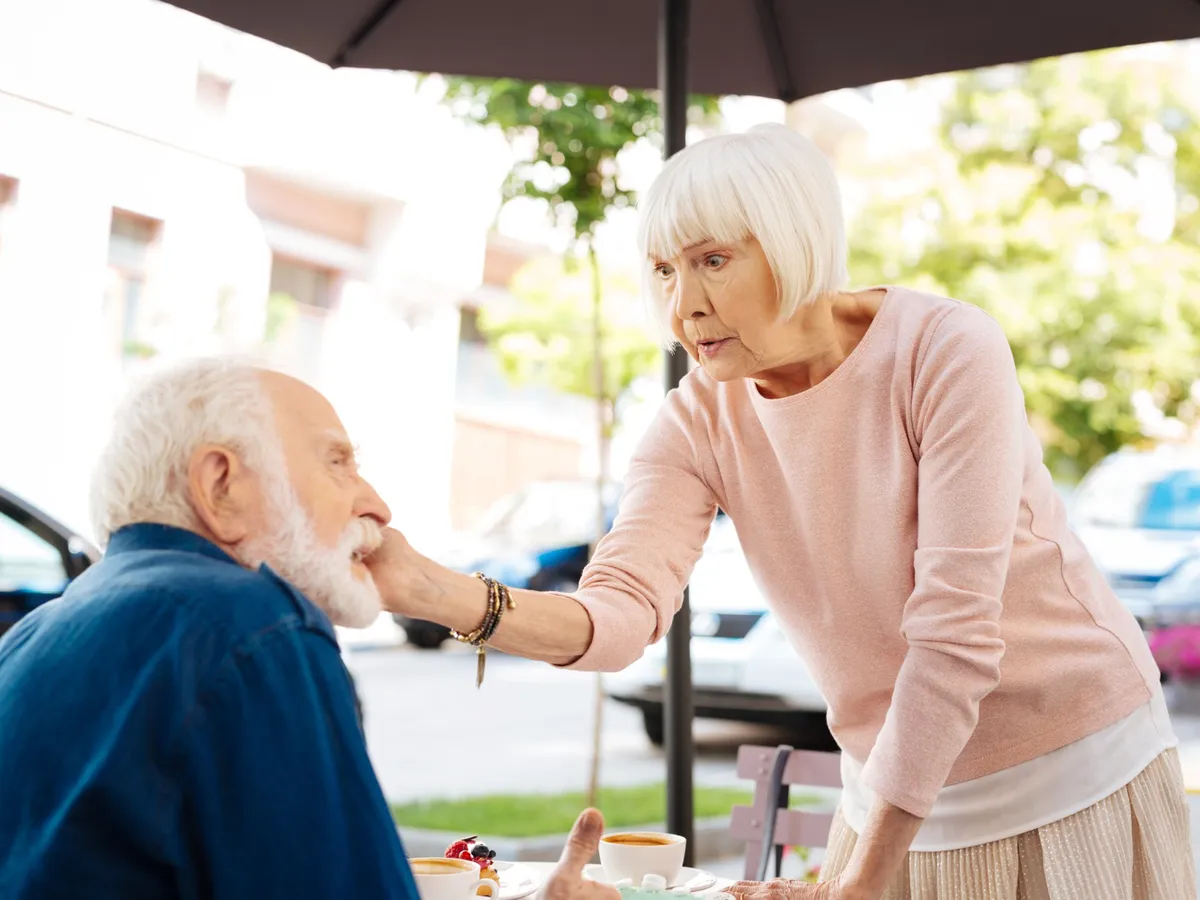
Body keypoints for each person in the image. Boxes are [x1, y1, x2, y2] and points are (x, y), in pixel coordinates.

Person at [370, 123, 1196, 900]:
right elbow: (617, 615)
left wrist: (861, 882)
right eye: (664, 271)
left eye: (712, 260)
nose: (683, 306)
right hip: (892, 785)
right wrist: (433, 592)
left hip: (1070, 765)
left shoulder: (944, 350)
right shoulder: (696, 421)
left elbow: (953, 637)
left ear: (795, 241)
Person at [0, 358, 618, 900]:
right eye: (338, 463)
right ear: (220, 485)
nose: (378, 505)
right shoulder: (256, 627)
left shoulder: (30, 638)